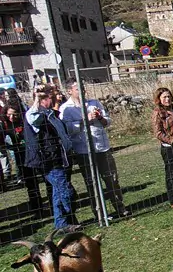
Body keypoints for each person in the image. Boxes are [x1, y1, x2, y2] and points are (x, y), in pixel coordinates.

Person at [60, 78, 130, 219]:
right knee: (92, 184)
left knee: (112, 179)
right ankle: (100, 214)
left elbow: (107, 121)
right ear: (69, 91)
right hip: (84, 151)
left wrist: (100, 118)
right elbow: (67, 129)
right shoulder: (66, 109)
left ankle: (120, 208)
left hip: (102, 148)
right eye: (77, 88)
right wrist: (85, 120)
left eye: (83, 87)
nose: (82, 90)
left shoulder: (94, 103)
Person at [24, 83, 78, 233]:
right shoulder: (36, 115)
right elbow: (32, 117)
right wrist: (36, 99)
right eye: (52, 96)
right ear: (44, 99)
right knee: (67, 192)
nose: (57, 98)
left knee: (57, 194)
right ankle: (70, 221)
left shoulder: (50, 114)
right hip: (49, 162)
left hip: (61, 159)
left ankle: (61, 224)